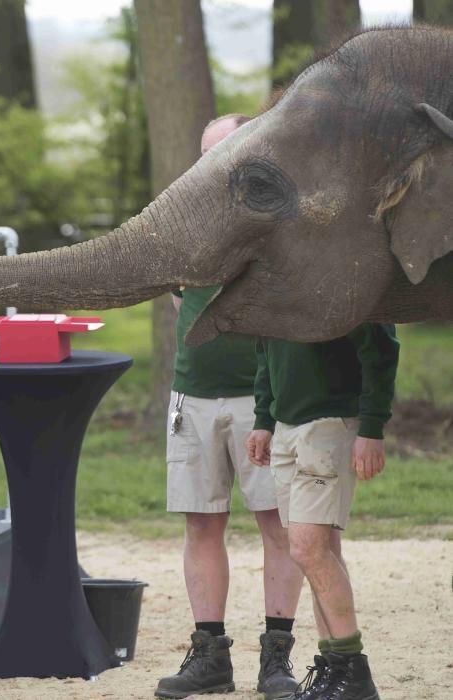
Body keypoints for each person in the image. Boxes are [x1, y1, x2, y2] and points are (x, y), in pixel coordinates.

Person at [154, 115, 304, 700]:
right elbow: (178, 300)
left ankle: (277, 660)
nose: (212, 165)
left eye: (224, 152)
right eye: (205, 154)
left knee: (277, 525)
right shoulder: (184, 219)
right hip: (193, 395)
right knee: (200, 522)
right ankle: (210, 655)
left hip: (261, 399)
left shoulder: (277, 217)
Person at [247, 323, 399, 700]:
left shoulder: (345, 274)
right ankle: (335, 671)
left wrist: (372, 427)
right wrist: (264, 419)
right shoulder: (275, 283)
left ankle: (354, 672)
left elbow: (381, 347)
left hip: (331, 423)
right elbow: (267, 350)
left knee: (307, 549)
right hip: (286, 425)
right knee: (317, 552)